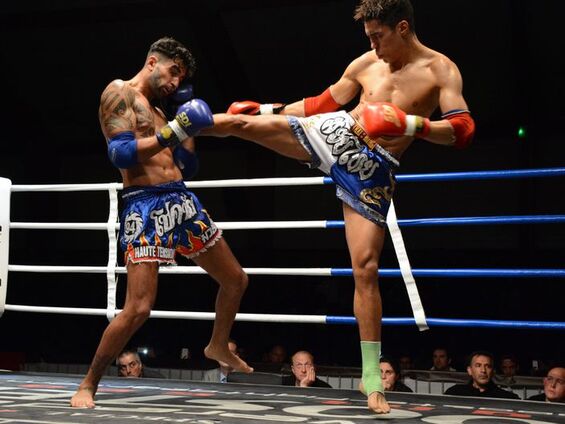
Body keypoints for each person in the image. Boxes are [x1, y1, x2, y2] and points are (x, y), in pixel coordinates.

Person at [202, 0, 474, 414]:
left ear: (402, 28)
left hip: (373, 168)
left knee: (365, 269)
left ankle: (370, 380)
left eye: (378, 36)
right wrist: (269, 109)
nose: (373, 46)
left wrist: (408, 124)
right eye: (368, 38)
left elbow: (462, 130)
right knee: (243, 123)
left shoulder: (441, 70)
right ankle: (172, 130)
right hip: (337, 132)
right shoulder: (365, 63)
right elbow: (320, 105)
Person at [70, 37, 252, 408]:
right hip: (143, 205)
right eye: (172, 72)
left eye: (179, 77)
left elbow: (187, 167)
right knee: (138, 307)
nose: (174, 82)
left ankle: (218, 343)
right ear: (153, 61)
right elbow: (119, 154)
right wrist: (175, 130)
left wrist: (187, 134)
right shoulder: (119, 93)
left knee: (235, 279)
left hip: (181, 199)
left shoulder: (159, 110)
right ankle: (89, 383)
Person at [444, 351, 519, 399]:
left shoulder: (506, 397)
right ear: (469, 370)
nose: (483, 370)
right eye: (478, 365)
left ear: (493, 371)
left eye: (488, 366)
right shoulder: (454, 393)